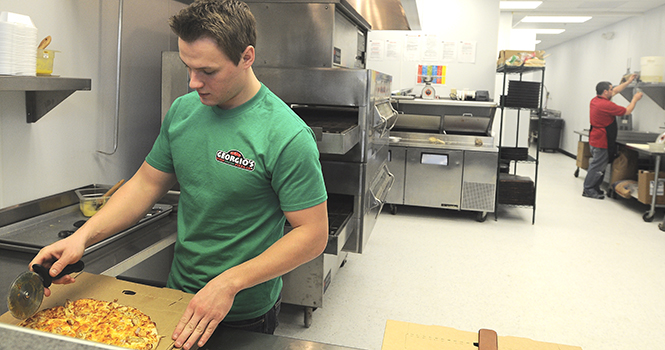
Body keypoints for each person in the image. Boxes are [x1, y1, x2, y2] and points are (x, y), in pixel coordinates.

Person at [29, 1, 329, 349]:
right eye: (187, 67)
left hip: (243, 310)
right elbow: (145, 184)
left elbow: (312, 233)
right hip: (177, 298)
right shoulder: (184, 111)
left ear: (247, 57)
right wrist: (82, 238)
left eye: (207, 71)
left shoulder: (286, 135)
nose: (192, 82)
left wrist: (228, 283)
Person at [583, 74, 643, 199]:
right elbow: (627, 111)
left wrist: (628, 82)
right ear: (605, 92)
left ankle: (594, 188)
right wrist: (635, 99)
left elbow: (616, 90)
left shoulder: (595, 100)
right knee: (597, 167)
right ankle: (588, 189)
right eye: (610, 89)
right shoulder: (606, 105)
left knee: (599, 166)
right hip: (601, 141)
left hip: (595, 138)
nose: (613, 90)